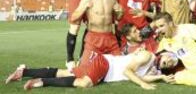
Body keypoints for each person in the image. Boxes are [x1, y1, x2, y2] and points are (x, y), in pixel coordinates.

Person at [5, 50, 173, 90]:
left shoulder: (153, 68)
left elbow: (140, 76)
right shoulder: (148, 56)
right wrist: (143, 86)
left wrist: (161, 79)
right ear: (163, 53)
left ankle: (24, 72)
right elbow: (128, 72)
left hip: (104, 64)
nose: (170, 62)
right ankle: (39, 82)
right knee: (85, 83)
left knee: (67, 73)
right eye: (170, 58)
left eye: (172, 64)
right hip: (106, 66)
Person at [70, 0, 123, 66]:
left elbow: (118, 18)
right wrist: (83, 8)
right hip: (94, 39)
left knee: (120, 67)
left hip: (110, 38)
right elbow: (73, 18)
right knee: (85, 69)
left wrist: (120, 12)